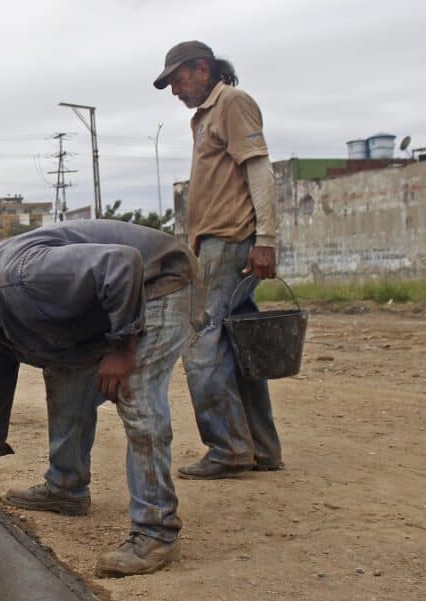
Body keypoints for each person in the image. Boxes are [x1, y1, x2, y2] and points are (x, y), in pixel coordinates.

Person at [0, 221, 196, 577]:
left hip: (155, 282)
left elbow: (123, 264)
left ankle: (157, 532)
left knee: (134, 392)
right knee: (64, 373)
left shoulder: (24, 275)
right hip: (114, 298)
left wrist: (123, 348)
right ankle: (66, 487)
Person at [154, 40, 283, 479]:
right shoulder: (206, 116)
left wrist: (265, 237)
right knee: (238, 345)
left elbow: (259, 168)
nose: (175, 89)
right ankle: (260, 447)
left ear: (203, 68)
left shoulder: (232, 102)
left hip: (228, 242)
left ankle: (227, 447)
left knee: (201, 346)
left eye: (178, 79)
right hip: (216, 243)